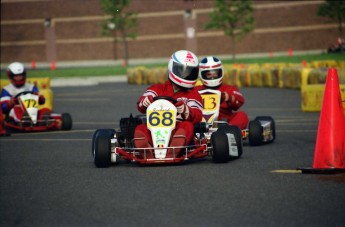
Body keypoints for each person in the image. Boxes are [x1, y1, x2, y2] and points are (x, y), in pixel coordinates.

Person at [134, 50, 203, 158]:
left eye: (189, 72)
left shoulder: (193, 94)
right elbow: (141, 104)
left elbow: (198, 115)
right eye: (181, 70)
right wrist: (145, 101)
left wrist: (186, 110)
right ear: (172, 67)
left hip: (177, 129)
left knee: (187, 126)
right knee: (140, 128)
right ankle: (146, 149)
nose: (185, 74)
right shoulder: (158, 88)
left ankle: (174, 149)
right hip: (154, 131)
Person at [195, 56, 249, 130]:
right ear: (201, 74)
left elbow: (239, 101)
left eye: (215, 74)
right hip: (201, 123)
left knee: (242, 115)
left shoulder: (228, 89)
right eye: (209, 74)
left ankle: (228, 131)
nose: (212, 77)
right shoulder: (196, 89)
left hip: (223, 122)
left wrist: (227, 97)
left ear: (221, 72)